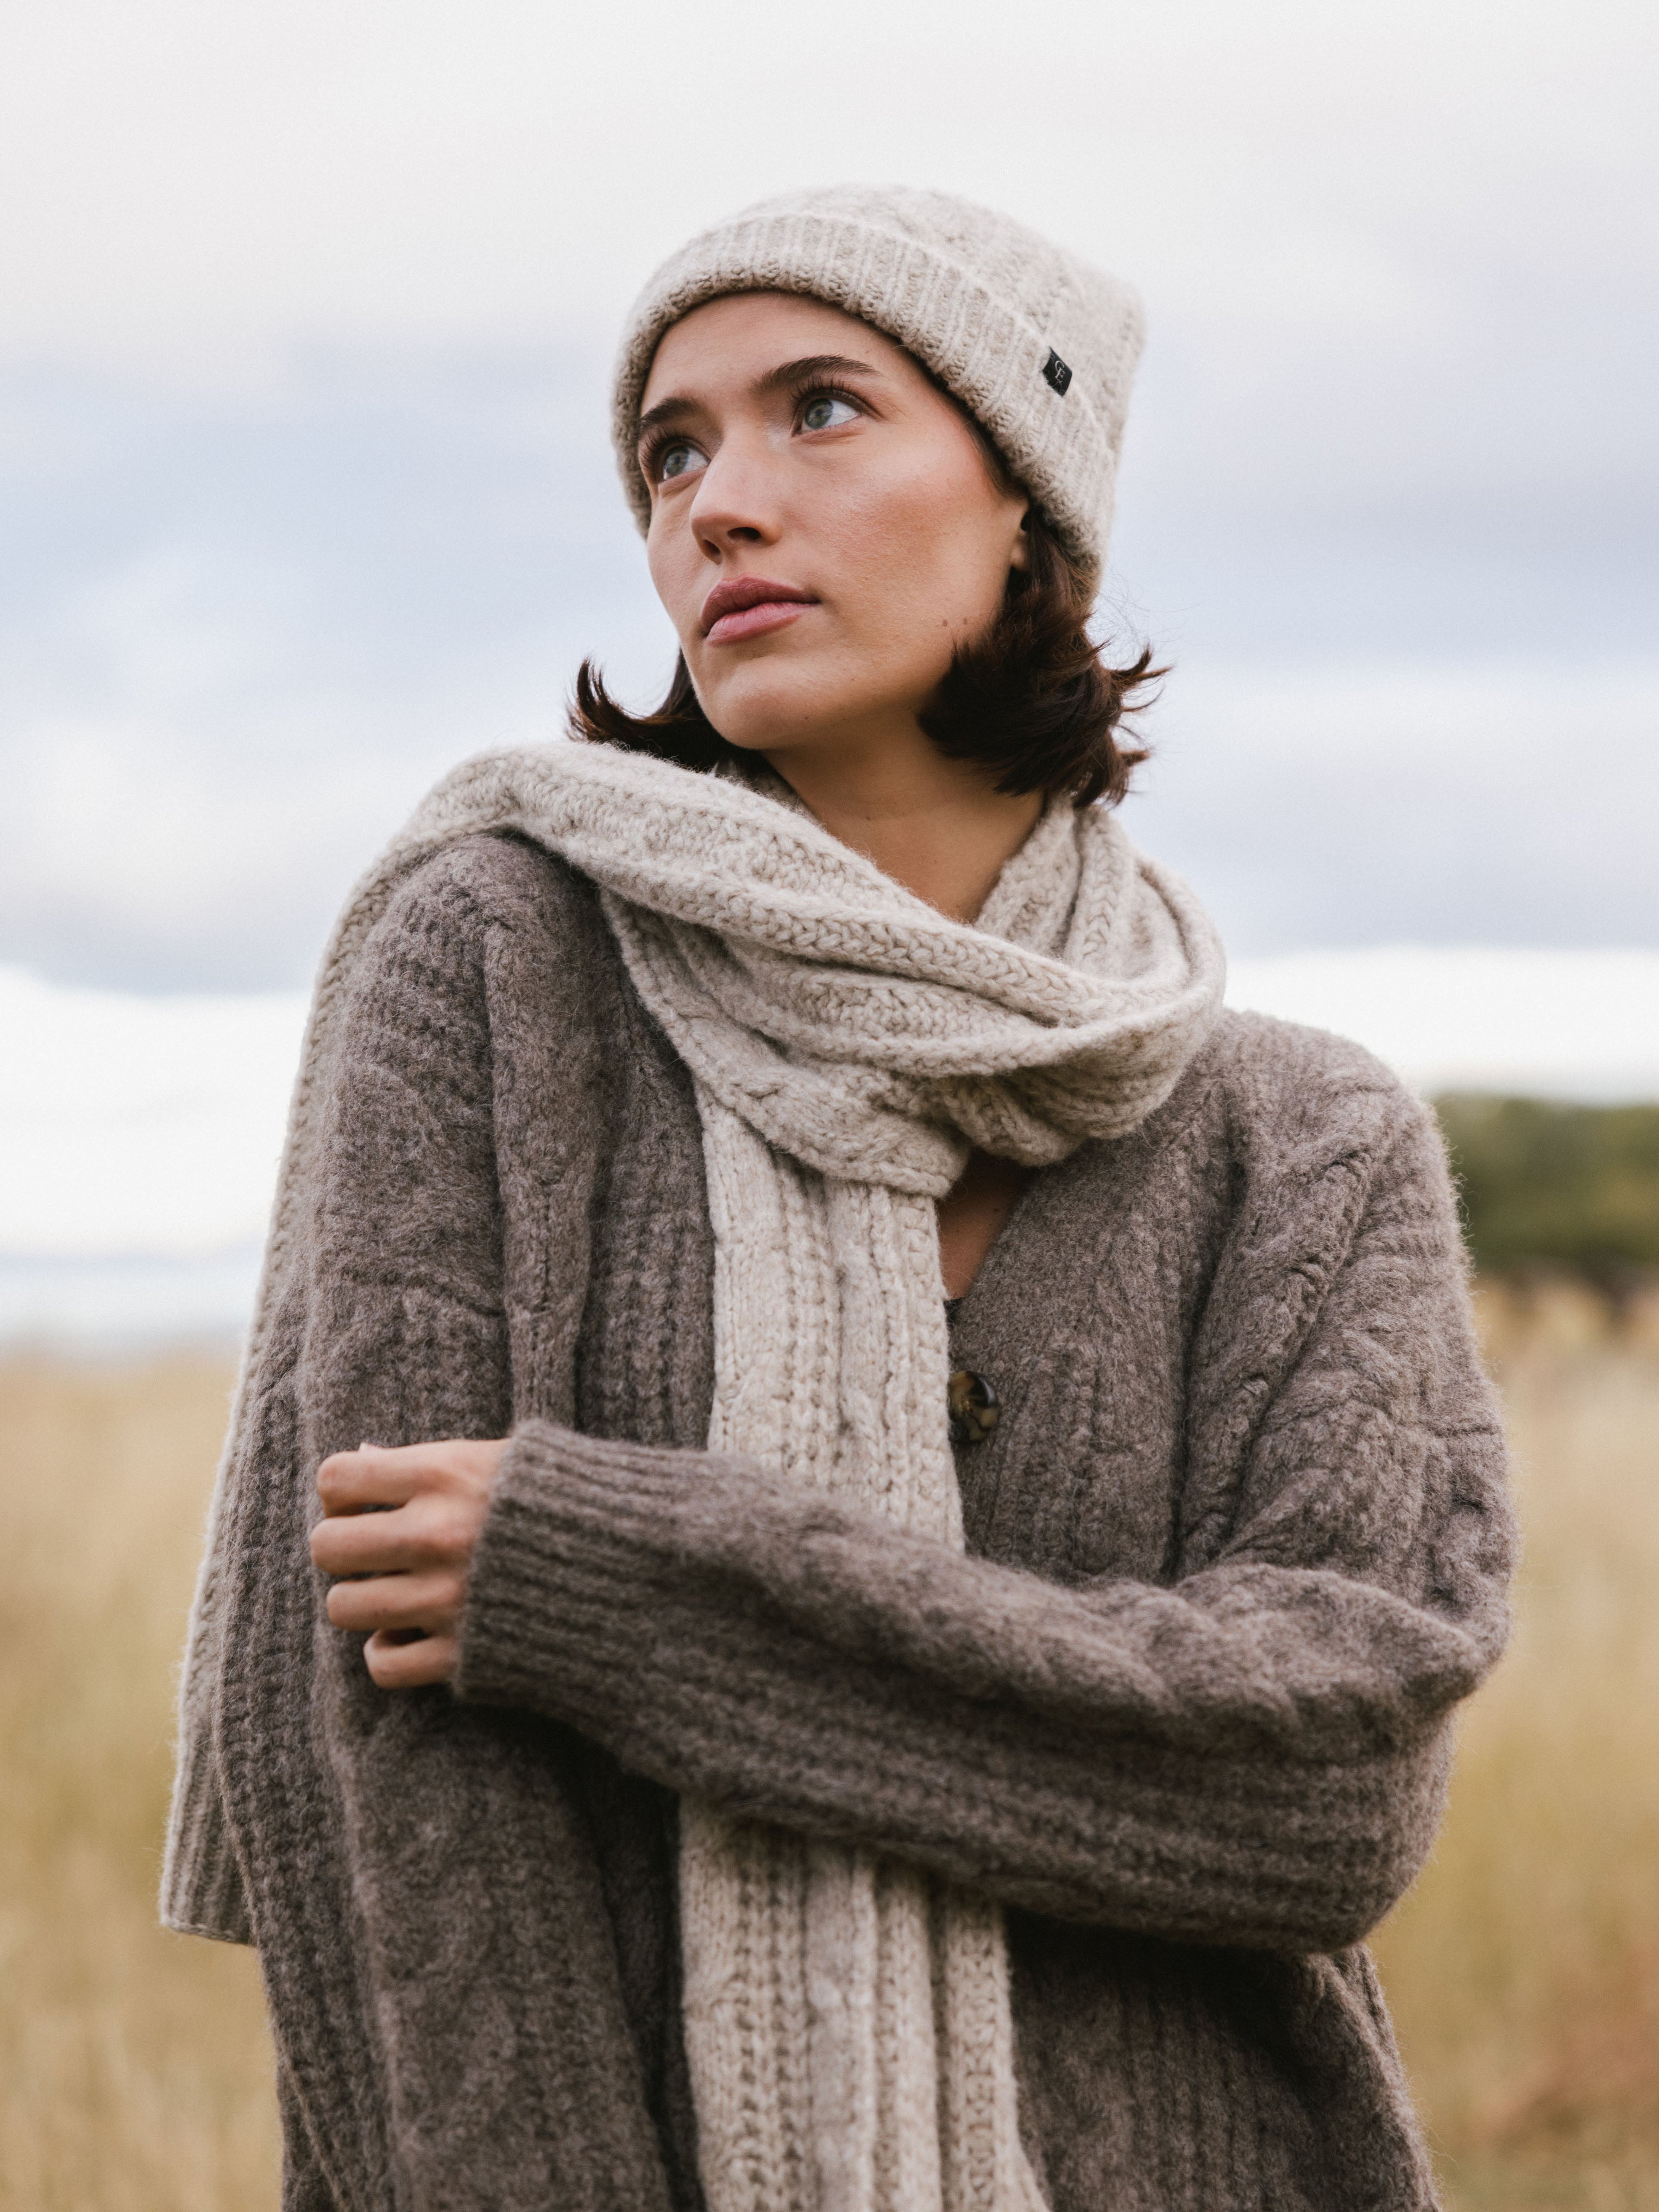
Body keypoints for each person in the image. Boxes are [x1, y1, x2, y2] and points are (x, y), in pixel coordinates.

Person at [164, 185, 1515, 2212]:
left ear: (1030, 507)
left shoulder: (1301, 1139)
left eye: (820, 409)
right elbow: (393, 1771)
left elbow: (1323, 1799)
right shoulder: (496, 968)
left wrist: (635, 1594)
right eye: (669, 453)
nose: (717, 505)